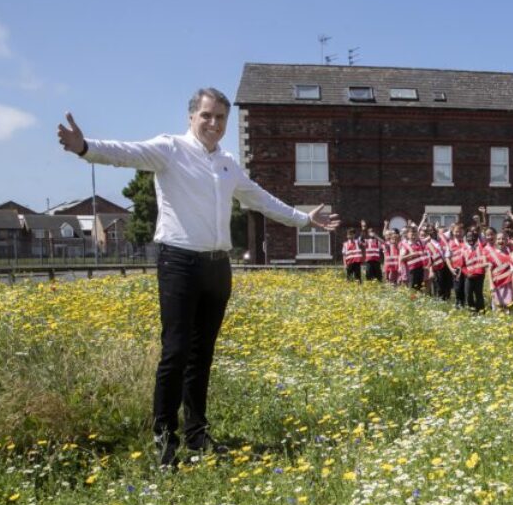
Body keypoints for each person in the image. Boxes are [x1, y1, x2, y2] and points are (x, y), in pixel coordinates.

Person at [57, 87, 339, 467]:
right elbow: (125, 153)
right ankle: (164, 438)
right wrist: (84, 146)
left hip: (216, 267)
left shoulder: (226, 163)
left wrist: (304, 218)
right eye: (206, 115)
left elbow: (259, 198)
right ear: (191, 117)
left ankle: (196, 435)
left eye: (220, 117)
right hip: (179, 263)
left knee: (201, 355)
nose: (213, 123)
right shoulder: (170, 148)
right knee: (175, 352)